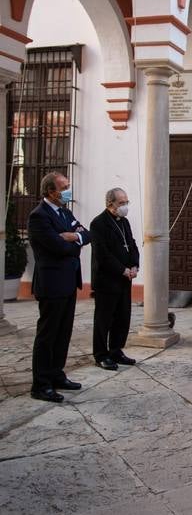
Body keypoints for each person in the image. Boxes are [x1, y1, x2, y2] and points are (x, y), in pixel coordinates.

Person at [28, 171, 91, 402]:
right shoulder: (39, 216)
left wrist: (73, 237)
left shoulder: (64, 211)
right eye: (64, 187)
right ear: (51, 192)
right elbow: (57, 247)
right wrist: (72, 242)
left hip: (68, 282)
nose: (68, 190)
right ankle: (41, 384)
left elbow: (87, 234)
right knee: (48, 334)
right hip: (52, 283)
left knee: (63, 332)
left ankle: (57, 374)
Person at [90, 187, 139, 370]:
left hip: (125, 279)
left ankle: (116, 350)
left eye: (126, 202)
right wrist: (123, 270)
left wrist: (135, 265)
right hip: (107, 280)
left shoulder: (124, 222)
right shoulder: (98, 223)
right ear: (110, 204)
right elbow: (103, 254)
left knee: (122, 317)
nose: (125, 206)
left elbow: (132, 245)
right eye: (121, 203)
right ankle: (101, 354)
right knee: (104, 319)